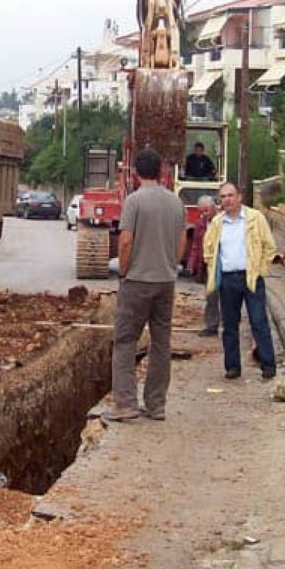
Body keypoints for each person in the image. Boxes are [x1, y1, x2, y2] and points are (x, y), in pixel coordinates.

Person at [106, 147, 187, 422]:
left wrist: (124, 270)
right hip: (166, 281)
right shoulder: (176, 202)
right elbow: (182, 241)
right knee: (162, 343)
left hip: (137, 281)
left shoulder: (134, 201)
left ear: (136, 172)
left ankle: (126, 404)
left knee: (125, 341)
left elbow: (126, 240)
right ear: (162, 172)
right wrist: (171, 265)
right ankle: (156, 405)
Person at [203, 181, 279, 380]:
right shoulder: (218, 223)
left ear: (239, 197)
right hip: (228, 279)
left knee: (258, 321)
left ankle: (268, 364)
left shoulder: (255, 219)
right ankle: (232, 367)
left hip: (251, 277)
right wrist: (214, 269)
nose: (227, 200)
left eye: (230, 195)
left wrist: (260, 270)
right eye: (223, 197)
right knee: (229, 325)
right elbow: (209, 250)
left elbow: (269, 247)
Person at [186, 195, 220, 336]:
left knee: (227, 296)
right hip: (207, 265)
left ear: (213, 207)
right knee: (211, 296)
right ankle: (212, 326)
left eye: (206, 210)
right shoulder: (200, 224)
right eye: (202, 211)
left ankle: (230, 325)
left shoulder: (223, 221)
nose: (204, 214)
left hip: (222, 264)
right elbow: (196, 245)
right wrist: (191, 264)